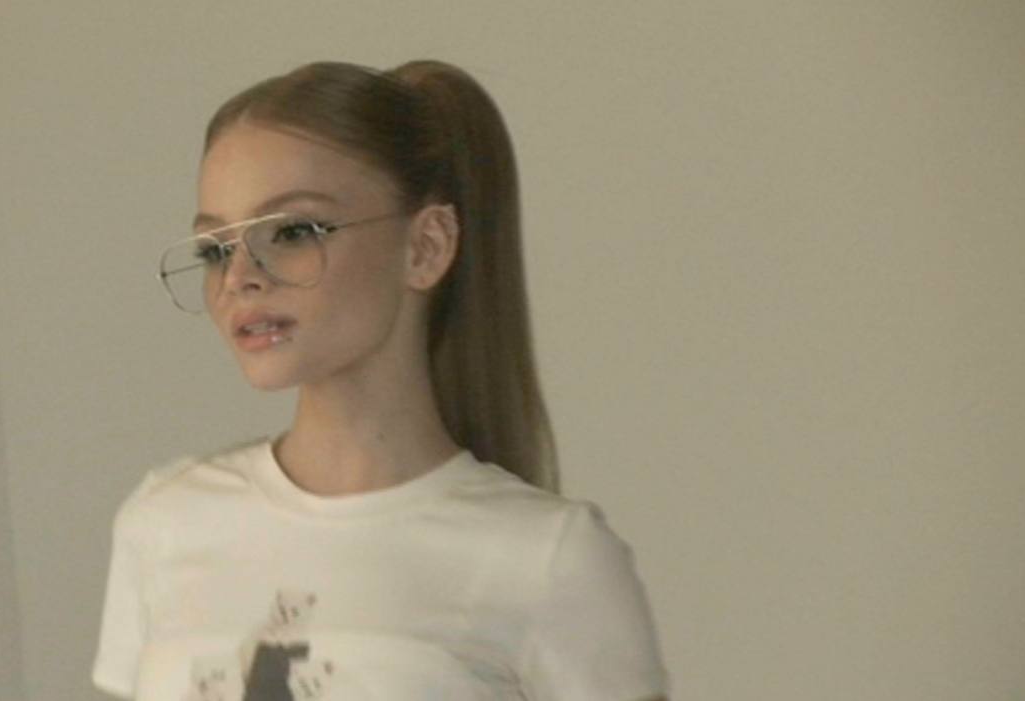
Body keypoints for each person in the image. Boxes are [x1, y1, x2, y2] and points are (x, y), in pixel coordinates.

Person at [92, 58, 670, 701]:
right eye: (215, 249)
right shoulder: (166, 522)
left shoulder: (548, 560)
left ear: (426, 246)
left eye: (292, 231)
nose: (239, 279)